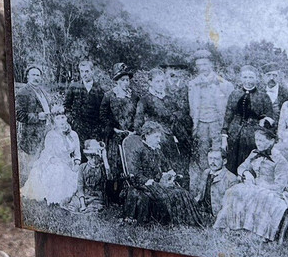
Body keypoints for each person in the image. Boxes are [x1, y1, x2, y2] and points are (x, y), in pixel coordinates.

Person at [214, 124, 288, 241]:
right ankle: (232, 228)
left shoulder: (280, 160)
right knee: (233, 191)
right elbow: (241, 167)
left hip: (271, 191)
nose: (258, 143)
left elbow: (280, 186)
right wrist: (246, 173)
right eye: (257, 140)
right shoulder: (254, 153)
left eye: (262, 140)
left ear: (272, 141)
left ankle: (256, 234)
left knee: (257, 197)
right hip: (253, 186)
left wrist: (261, 186)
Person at [119, 122, 203, 227]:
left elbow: (166, 166)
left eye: (159, 137)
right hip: (144, 185)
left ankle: (187, 222)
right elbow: (135, 173)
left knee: (182, 192)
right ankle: (172, 223)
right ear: (147, 135)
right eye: (156, 137)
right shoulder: (138, 152)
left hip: (158, 183)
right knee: (169, 195)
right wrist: (150, 182)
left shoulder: (157, 151)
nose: (159, 140)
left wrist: (171, 174)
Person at [134, 65, 193, 185]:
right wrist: (147, 139)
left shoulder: (169, 99)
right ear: (150, 82)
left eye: (162, 81)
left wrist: (183, 138)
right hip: (155, 141)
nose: (161, 84)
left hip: (171, 139)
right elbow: (138, 123)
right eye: (157, 82)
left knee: (178, 170)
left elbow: (176, 120)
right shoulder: (145, 100)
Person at [187, 49, 233, 203]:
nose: (202, 68)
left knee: (219, 155)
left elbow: (229, 109)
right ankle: (203, 191)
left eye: (205, 64)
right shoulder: (192, 84)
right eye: (199, 65)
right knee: (202, 157)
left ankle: (219, 191)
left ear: (211, 64)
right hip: (200, 125)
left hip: (217, 125)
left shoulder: (224, 84)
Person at [222, 65, 277, 175]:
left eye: (251, 77)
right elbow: (228, 116)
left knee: (249, 165)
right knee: (232, 164)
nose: (248, 81)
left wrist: (264, 122)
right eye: (245, 77)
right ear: (240, 78)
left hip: (253, 137)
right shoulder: (234, 94)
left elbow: (270, 119)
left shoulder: (263, 96)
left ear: (256, 78)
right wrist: (224, 136)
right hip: (234, 135)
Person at [20, 111, 82, 207]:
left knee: (77, 176)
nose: (61, 121)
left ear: (66, 118)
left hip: (69, 162)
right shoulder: (51, 135)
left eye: (63, 117)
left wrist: (77, 163)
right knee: (59, 171)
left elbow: (77, 152)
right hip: (53, 161)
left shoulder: (73, 134)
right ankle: (55, 199)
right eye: (57, 118)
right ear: (54, 121)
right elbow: (48, 153)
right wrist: (57, 162)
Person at [15, 65, 59, 176]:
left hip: (44, 134)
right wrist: (37, 116)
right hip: (31, 136)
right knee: (31, 167)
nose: (36, 77)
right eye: (33, 75)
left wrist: (53, 110)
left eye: (38, 75)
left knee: (42, 165)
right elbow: (18, 115)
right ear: (28, 76)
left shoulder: (42, 91)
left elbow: (47, 108)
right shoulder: (23, 92)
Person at [103, 62, 136, 205]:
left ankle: (126, 195)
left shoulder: (134, 96)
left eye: (127, 80)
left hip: (130, 135)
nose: (126, 83)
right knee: (114, 165)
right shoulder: (109, 96)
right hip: (115, 136)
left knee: (128, 165)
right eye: (122, 80)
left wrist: (134, 130)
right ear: (116, 81)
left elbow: (137, 115)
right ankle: (112, 197)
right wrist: (114, 128)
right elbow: (103, 116)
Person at [64, 58, 108, 156]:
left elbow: (104, 110)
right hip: (78, 128)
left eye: (87, 71)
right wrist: (72, 121)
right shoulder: (74, 87)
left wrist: (101, 127)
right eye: (82, 71)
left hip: (95, 129)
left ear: (92, 71)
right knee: (78, 154)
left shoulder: (100, 89)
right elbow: (66, 106)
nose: (84, 74)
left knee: (94, 155)